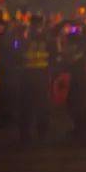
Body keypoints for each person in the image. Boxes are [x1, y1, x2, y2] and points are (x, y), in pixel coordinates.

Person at [17, 14, 53, 143]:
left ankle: (27, 134)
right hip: (39, 76)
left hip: (29, 75)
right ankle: (40, 133)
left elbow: (16, 52)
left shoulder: (24, 38)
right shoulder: (47, 38)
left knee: (29, 107)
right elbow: (53, 56)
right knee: (40, 106)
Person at [61, 24, 86, 143]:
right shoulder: (83, 52)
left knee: (75, 103)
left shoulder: (79, 56)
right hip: (80, 80)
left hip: (79, 80)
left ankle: (81, 128)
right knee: (78, 103)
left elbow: (70, 61)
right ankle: (82, 127)